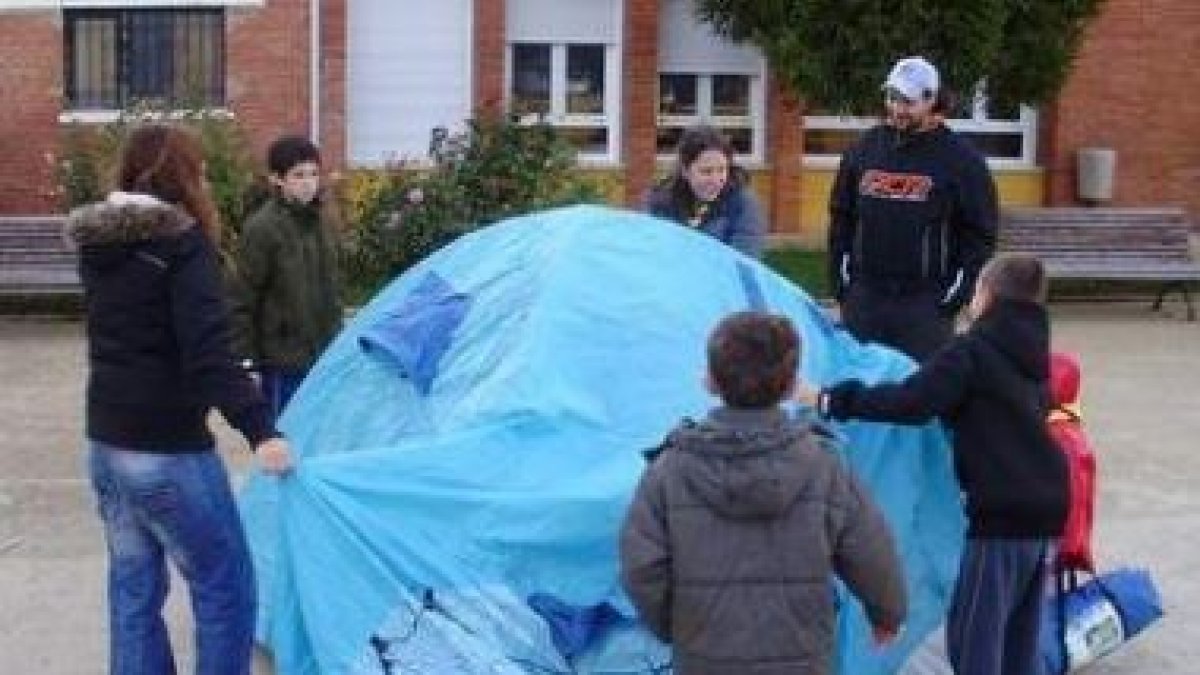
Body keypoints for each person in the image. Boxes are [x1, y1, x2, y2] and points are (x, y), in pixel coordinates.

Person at [66, 123, 293, 674]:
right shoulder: (182, 246)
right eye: (201, 171)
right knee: (226, 588)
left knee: (133, 587)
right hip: (166, 451)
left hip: (106, 444)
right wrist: (261, 429)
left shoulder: (101, 246)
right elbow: (209, 355)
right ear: (183, 177)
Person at [803, 253, 1069, 675]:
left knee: (977, 638)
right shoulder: (1034, 360)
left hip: (1000, 516)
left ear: (985, 296)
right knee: (1021, 640)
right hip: (1049, 510)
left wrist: (829, 399)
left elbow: (911, 402)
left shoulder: (971, 353)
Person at [619, 311, 907, 674]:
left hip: (705, 656)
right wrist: (888, 613)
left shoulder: (669, 470)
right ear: (791, 386)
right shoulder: (825, 466)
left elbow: (642, 566)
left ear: (709, 381)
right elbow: (870, 549)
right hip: (802, 656)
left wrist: (675, 624)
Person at [828, 56, 998, 361]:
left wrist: (955, 293)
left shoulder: (963, 160)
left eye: (907, 101)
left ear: (932, 101)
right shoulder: (863, 149)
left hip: (924, 306)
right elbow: (842, 215)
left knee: (919, 394)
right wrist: (841, 282)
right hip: (865, 298)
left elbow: (980, 233)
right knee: (859, 388)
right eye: (891, 98)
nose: (896, 109)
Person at [229, 134, 342, 418]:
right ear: (278, 179)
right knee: (285, 439)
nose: (308, 182)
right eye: (298, 175)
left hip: (324, 357)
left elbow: (332, 287)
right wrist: (247, 362)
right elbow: (241, 300)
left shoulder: (323, 225)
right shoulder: (263, 229)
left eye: (314, 174)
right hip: (283, 362)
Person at [644, 125, 766, 258]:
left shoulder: (743, 204)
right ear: (685, 171)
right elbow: (649, 251)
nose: (716, 180)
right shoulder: (660, 200)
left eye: (722, 170)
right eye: (706, 171)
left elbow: (743, 260)